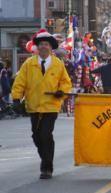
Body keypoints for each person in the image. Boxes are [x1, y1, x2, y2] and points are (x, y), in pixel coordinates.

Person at [11, 29, 72, 179]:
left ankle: (46, 167)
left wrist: (61, 91)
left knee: (46, 134)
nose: (44, 46)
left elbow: (66, 83)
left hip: (51, 106)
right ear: (37, 47)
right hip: (33, 105)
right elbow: (20, 83)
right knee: (36, 136)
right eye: (41, 44)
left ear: (51, 47)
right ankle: (46, 158)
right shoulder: (29, 64)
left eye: (46, 44)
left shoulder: (58, 64)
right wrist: (16, 99)